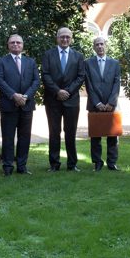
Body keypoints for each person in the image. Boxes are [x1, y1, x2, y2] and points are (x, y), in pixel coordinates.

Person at [41, 27, 86, 172]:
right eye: (62, 37)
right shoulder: (48, 54)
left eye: (68, 37)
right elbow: (45, 75)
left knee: (70, 132)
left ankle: (72, 164)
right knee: (54, 132)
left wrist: (67, 91)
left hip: (71, 100)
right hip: (53, 100)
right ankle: (54, 164)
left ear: (71, 38)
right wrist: (57, 91)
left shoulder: (78, 56)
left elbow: (80, 76)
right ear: (57, 38)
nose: (65, 39)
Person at [0, 35, 40, 176]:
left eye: (18, 42)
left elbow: (36, 81)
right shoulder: (1, 61)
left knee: (24, 137)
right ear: (8, 45)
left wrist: (25, 96)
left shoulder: (30, 62)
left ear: (22, 45)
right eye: (12, 42)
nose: (15, 44)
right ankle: (8, 167)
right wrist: (14, 95)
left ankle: (22, 166)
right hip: (9, 105)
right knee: (8, 138)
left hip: (26, 106)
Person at [85, 36, 121, 171]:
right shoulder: (87, 63)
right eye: (97, 44)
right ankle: (97, 163)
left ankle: (112, 163)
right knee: (96, 136)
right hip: (95, 105)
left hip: (111, 105)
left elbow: (116, 84)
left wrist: (111, 102)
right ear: (94, 47)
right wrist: (98, 103)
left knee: (113, 136)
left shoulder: (115, 63)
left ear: (106, 46)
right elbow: (89, 85)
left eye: (102, 44)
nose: (100, 47)